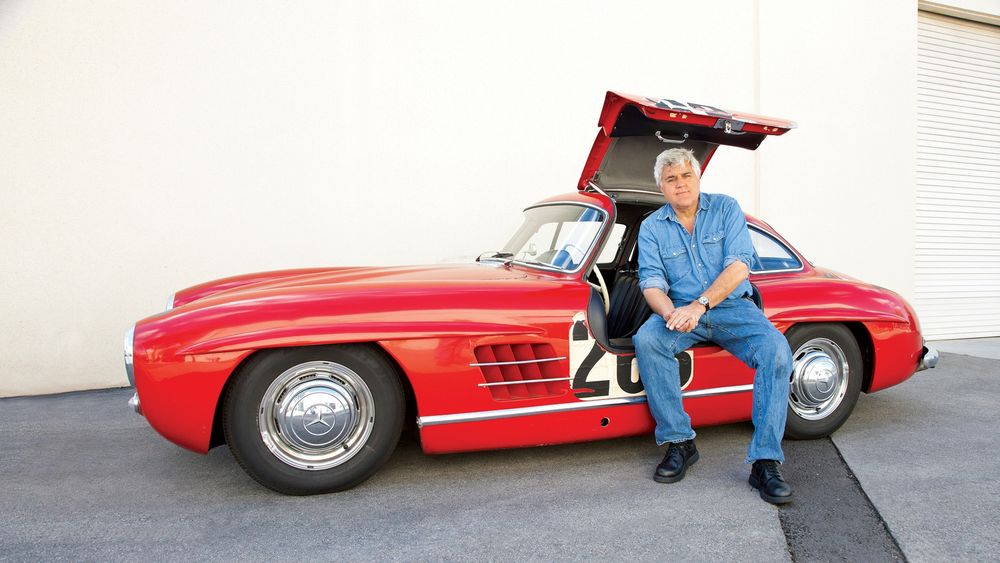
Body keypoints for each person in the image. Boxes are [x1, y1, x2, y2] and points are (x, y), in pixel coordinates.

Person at [632, 147, 794, 505]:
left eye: (686, 175)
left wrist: (699, 304)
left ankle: (765, 461)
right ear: (661, 187)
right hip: (682, 314)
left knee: (777, 352)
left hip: (732, 308)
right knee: (648, 340)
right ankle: (679, 442)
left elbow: (739, 265)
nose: (680, 184)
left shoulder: (726, 208)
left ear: (698, 176)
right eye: (671, 179)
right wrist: (669, 312)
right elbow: (651, 282)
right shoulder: (652, 227)